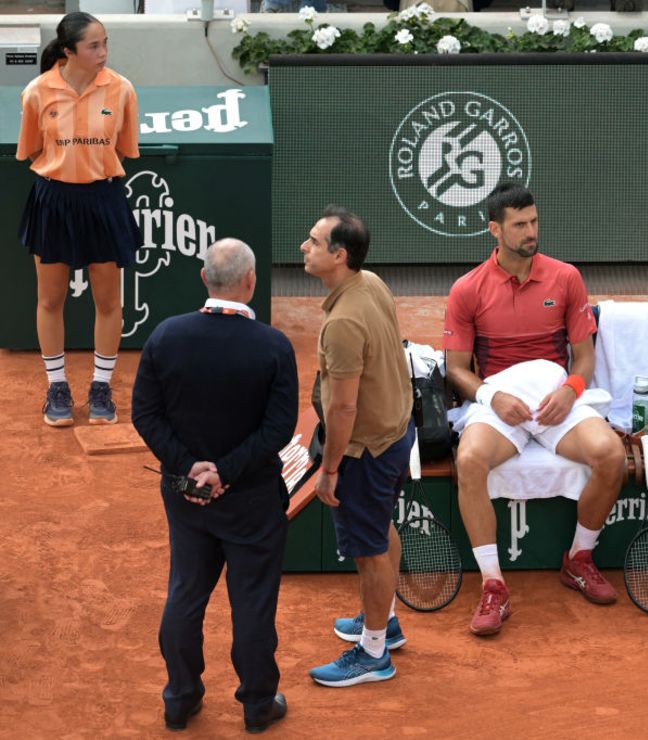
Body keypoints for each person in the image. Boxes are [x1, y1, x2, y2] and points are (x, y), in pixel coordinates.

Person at [443, 182, 626, 637]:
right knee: (469, 460)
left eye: (534, 221)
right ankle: (493, 586)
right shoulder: (467, 289)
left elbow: (583, 358)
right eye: (520, 224)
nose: (531, 231)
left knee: (610, 455)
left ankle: (579, 558)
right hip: (501, 398)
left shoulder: (566, 278)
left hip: (553, 395)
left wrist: (570, 389)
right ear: (494, 230)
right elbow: (455, 370)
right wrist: (490, 396)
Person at [131, 238, 297, 733]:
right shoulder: (273, 346)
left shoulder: (165, 336)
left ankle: (180, 700)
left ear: (204, 279)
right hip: (252, 501)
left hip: (186, 498)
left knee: (185, 593)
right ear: (251, 282)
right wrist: (224, 472)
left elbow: (145, 413)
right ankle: (256, 706)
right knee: (252, 604)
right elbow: (278, 428)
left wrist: (189, 469)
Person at [301, 206, 416, 687]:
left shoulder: (343, 322)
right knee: (379, 529)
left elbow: (343, 410)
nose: (304, 248)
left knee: (368, 551)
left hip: (364, 451)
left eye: (313, 241)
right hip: (394, 433)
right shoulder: (371, 282)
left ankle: (373, 653)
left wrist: (329, 470)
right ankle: (383, 623)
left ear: (339, 255)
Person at [16, 12, 142, 427]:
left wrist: (90, 176)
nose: (103, 53)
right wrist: (65, 174)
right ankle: (57, 387)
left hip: (102, 199)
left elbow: (123, 151)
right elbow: (32, 151)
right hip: (53, 200)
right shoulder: (37, 91)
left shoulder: (122, 90)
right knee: (50, 299)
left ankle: (101, 388)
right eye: (93, 46)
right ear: (68, 51)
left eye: (105, 43)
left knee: (108, 301)